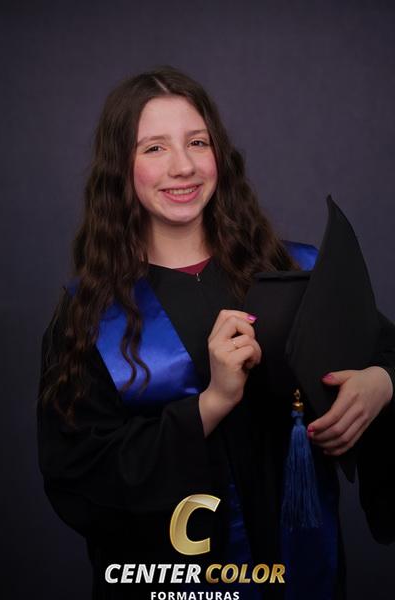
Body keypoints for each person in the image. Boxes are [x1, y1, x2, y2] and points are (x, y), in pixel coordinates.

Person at [38, 66, 395, 600]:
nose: (182, 166)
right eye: (154, 148)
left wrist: (382, 383)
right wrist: (213, 402)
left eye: (197, 142)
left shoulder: (295, 272)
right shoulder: (92, 315)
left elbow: (386, 350)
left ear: (219, 154)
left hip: (304, 573)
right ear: (120, 168)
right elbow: (78, 476)